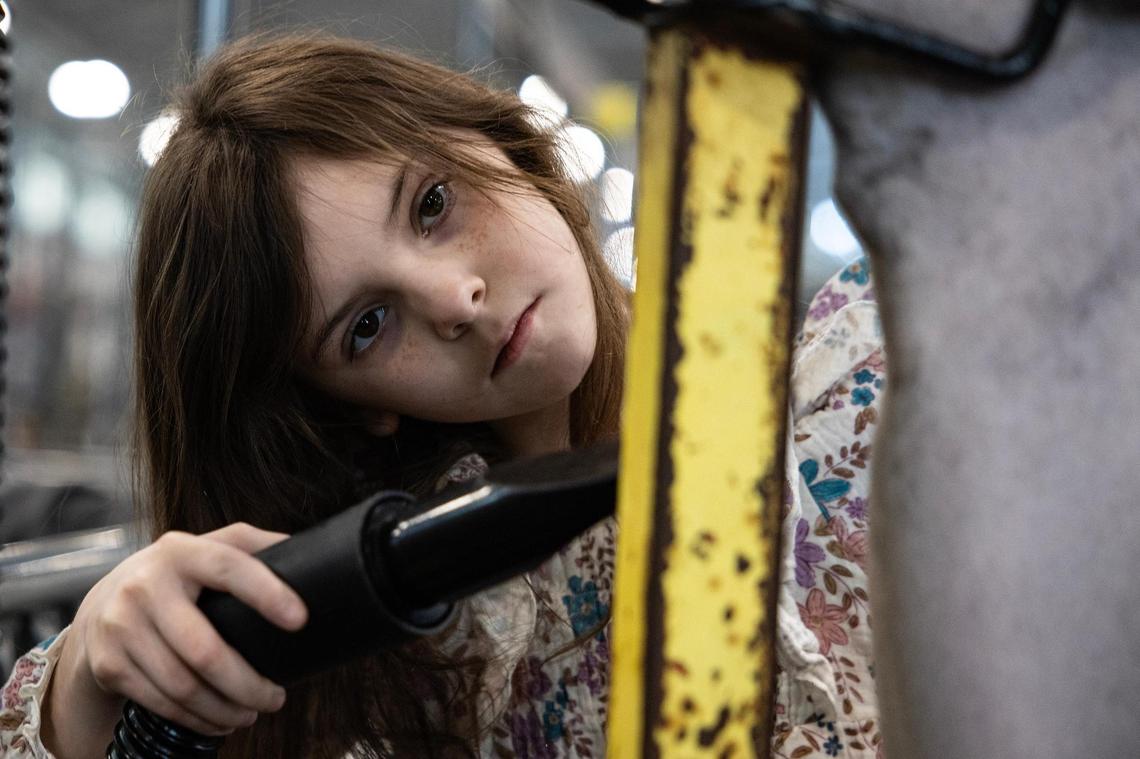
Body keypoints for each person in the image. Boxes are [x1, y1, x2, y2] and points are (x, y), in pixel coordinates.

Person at [0, 33, 886, 759]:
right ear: (356, 403)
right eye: (367, 326)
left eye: (432, 203)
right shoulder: (422, 631)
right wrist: (89, 673)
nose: (455, 300)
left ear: (506, 149)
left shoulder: (870, 370)